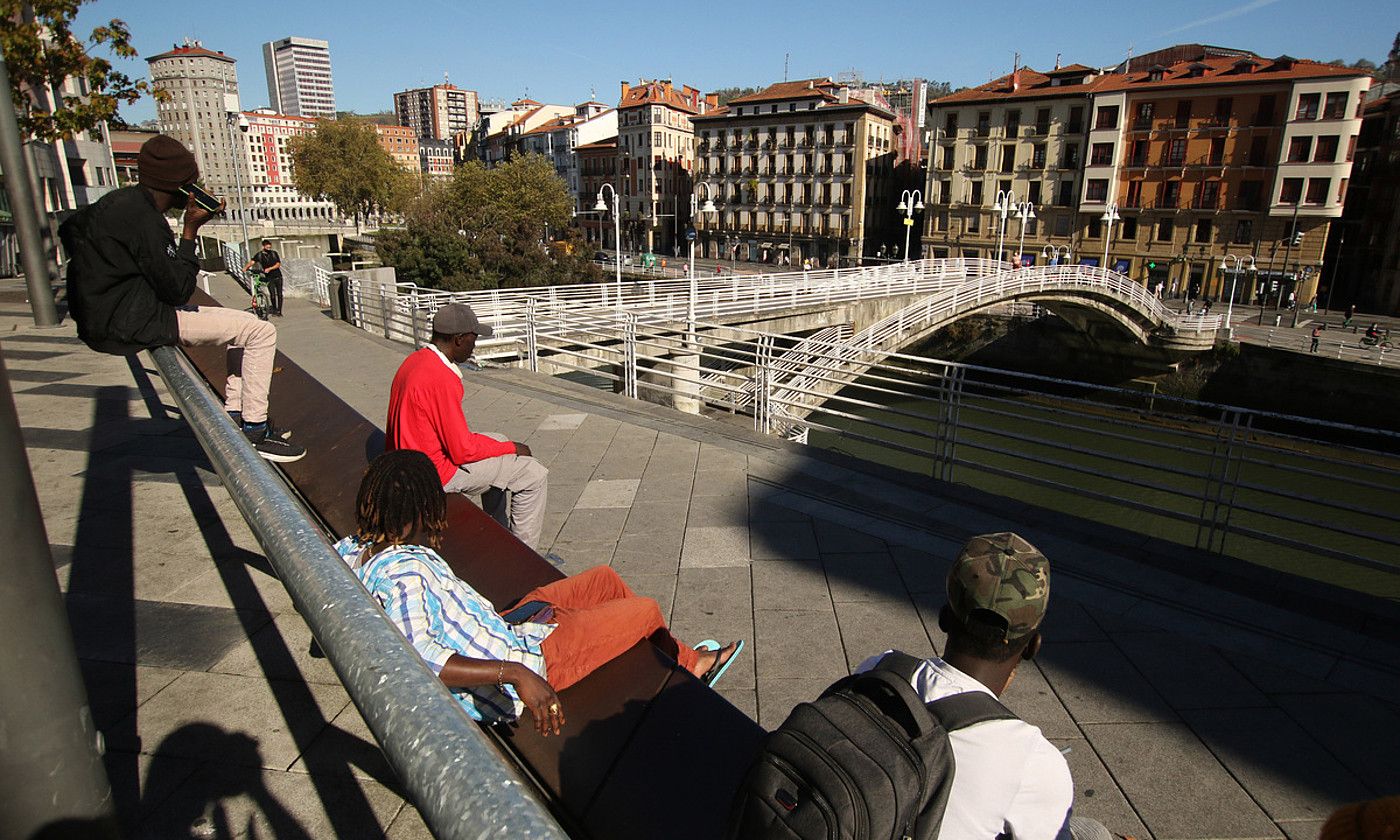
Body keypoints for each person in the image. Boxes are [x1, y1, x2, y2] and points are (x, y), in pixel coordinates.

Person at [336, 450, 743, 734]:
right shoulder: (404, 572)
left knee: (604, 578)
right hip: (533, 660)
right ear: (421, 512)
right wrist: (515, 673)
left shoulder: (360, 548)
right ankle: (692, 667)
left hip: (506, 626)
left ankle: (681, 655)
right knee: (645, 610)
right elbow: (423, 657)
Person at [60, 135, 305, 463]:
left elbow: (70, 230)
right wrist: (191, 230)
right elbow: (177, 289)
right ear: (177, 187)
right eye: (191, 184)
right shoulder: (145, 220)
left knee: (246, 323)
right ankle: (255, 428)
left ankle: (235, 413)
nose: (195, 191)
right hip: (135, 320)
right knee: (263, 332)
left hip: (112, 313)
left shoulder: (121, 203)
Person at [855, 532, 1108, 840]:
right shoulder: (1033, 761)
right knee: (1093, 832)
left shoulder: (877, 669)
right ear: (1031, 647)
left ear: (945, 617)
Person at [387, 303, 549, 549]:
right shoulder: (441, 379)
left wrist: (502, 445)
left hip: (409, 460)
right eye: (473, 340)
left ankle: (498, 535)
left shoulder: (417, 361)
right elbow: (462, 451)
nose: (474, 347)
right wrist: (511, 447)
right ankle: (524, 557)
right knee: (533, 474)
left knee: (498, 438)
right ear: (459, 339)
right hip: (432, 475)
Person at [243, 239, 284, 316]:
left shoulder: (274, 253)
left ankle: (279, 311)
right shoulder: (259, 255)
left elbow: (278, 264)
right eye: (267, 246)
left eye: (269, 246)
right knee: (272, 294)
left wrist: (269, 269)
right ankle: (275, 309)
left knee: (279, 294)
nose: (269, 247)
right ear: (263, 246)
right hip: (269, 277)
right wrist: (245, 268)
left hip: (278, 276)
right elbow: (252, 262)